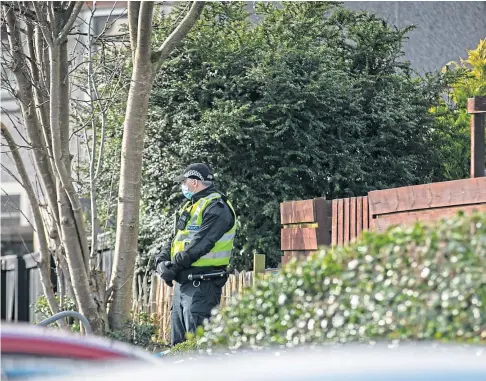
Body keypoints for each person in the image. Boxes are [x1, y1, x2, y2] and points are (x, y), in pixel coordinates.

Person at [154, 163, 237, 346]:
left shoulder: (217, 207)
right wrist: (161, 263)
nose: (182, 185)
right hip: (183, 285)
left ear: (194, 182)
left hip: (203, 285)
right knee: (178, 347)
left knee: (197, 348)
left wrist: (173, 268)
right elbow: (174, 239)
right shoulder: (189, 207)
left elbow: (201, 244)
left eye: (184, 181)